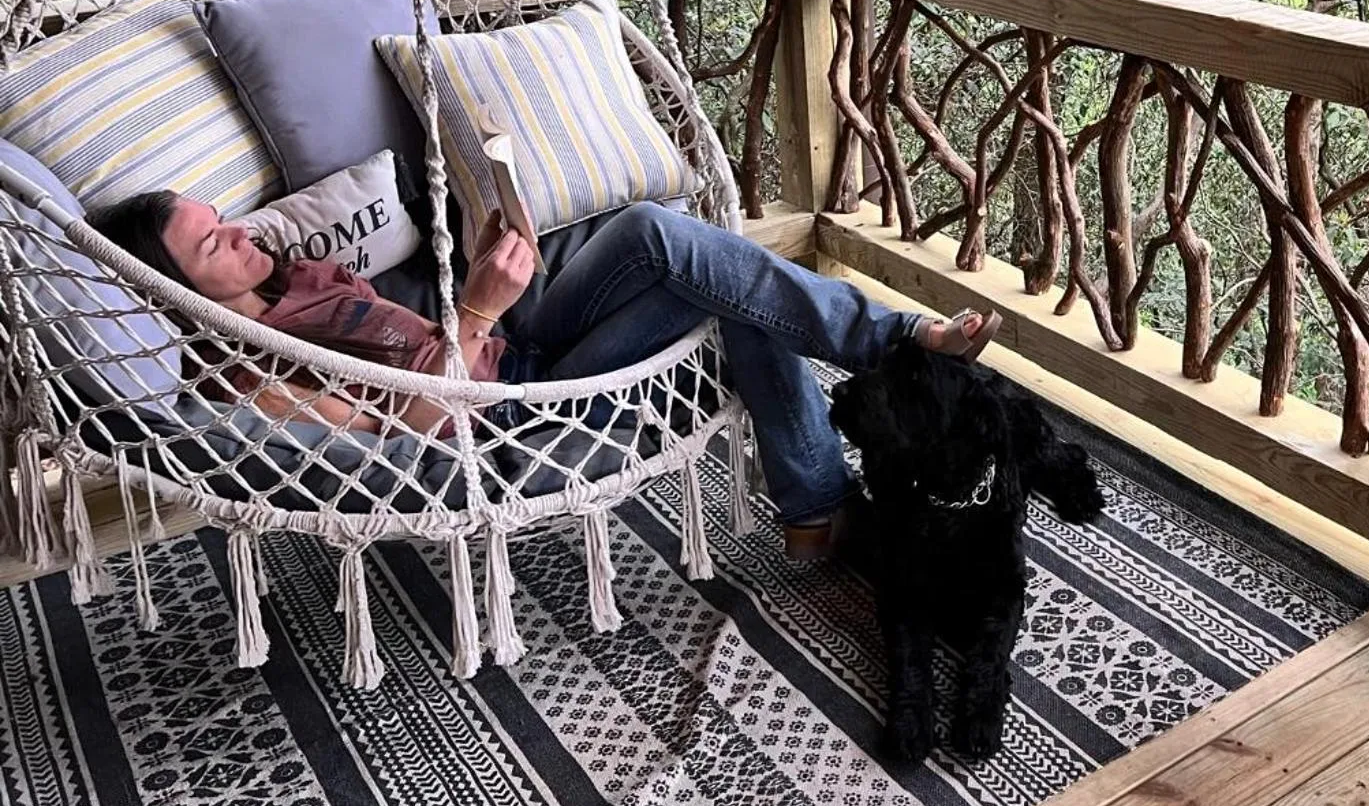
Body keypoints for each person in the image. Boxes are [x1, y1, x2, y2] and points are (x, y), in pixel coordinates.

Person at [86, 191, 999, 559]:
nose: (242, 234)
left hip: (510, 345)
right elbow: (405, 447)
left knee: (653, 229)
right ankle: (848, 439)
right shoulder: (254, 379)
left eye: (226, 220)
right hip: (504, 409)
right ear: (172, 287)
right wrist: (477, 314)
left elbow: (423, 336)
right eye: (214, 242)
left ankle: (841, 454)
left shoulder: (297, 280)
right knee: (723, 284)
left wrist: (482, 279)